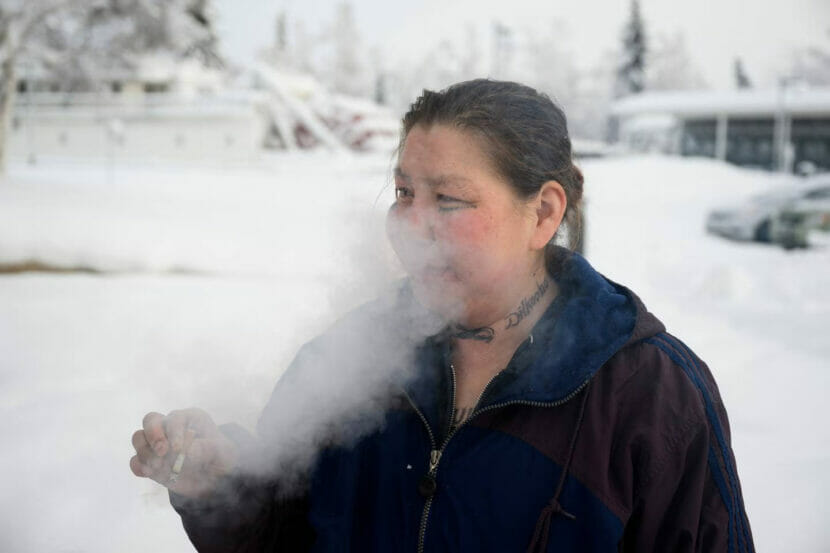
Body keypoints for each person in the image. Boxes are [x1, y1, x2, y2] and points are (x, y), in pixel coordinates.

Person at [130, 79, 755, 552]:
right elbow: (282, 535)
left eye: (448, 200)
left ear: (543, 213)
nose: (412, 226)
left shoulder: (653, 398)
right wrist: (221, 489)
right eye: (404, 193)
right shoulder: (346, 360)